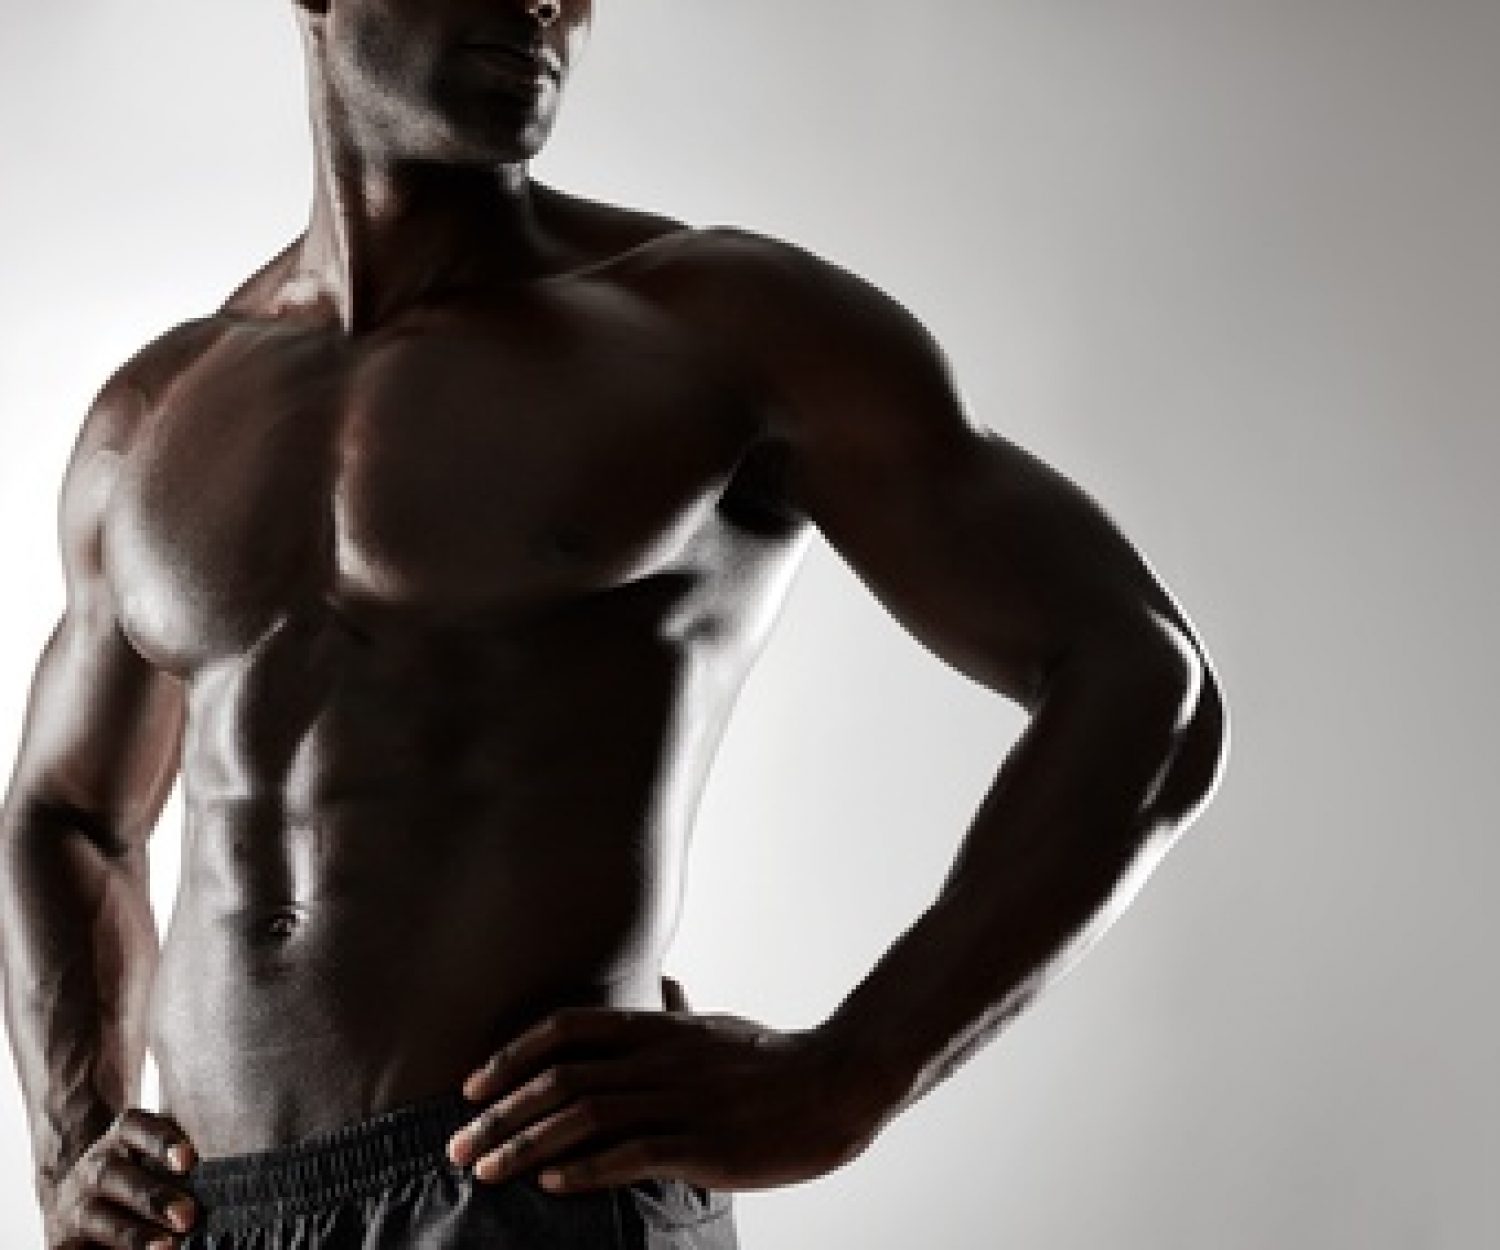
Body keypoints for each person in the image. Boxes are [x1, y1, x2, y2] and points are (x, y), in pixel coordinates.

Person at [0, 0, 1229, 1246]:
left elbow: (1141, 681)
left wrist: (849, 1075)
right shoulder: (158, 410)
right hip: (204, 1213)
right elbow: (68, 811)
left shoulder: (719, 327)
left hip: (527, 1189)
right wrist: (70, 1145)